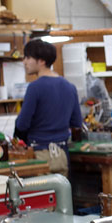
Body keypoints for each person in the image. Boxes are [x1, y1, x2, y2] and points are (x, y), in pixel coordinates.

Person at [15, 39, 82, 175]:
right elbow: (76, 123)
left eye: (28, 57)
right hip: (62, 154)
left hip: (40, 156)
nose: (24, 62)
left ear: (41, 61)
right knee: (61, 195)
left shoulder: (35, 88)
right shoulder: (70, 87)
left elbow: (22, 125)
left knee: (41, 195)